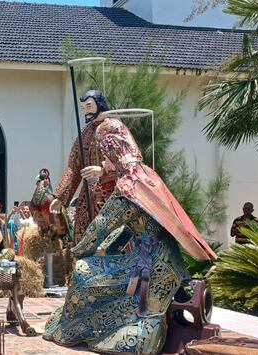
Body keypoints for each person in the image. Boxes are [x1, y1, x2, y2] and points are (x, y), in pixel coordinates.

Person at [43, 112, 217, 354]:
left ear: (112, 152)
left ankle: (74, 328)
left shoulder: (128, 187)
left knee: (83, 271)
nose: (105, 163)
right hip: (170, 263)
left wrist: (79, 250)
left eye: (106, 156)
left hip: (149, 268)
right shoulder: (149, 177)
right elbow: (133, 228)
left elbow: (101, 226)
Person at [50, 90, 124, 243]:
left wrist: (104, 170)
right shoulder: (84, 133)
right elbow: (73, 167)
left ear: (99, 104)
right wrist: (61, 196)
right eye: (83, 108)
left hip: (112, 192)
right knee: (84, 237)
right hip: (88, 196)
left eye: (89, 106)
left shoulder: (115, 126)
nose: (86, 111)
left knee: (112, 237)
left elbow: (129, 157)